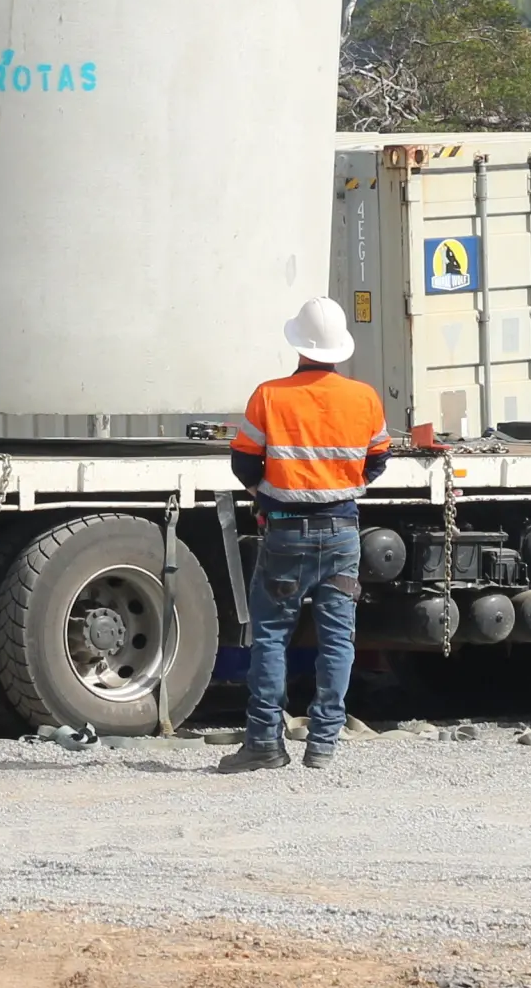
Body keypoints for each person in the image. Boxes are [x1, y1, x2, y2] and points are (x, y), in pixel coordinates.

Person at [220, 296, 390, 773]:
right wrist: (340, 485)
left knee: (271, 635)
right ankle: (324, 744)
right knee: (338, 639)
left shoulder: (270, 396)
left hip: (284, 532)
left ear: (297, 343)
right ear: (340, 348)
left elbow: (243, 461)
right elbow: (377, 459)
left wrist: (264, 491)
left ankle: (264, 745)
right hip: (342, 531)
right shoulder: (364, 398)